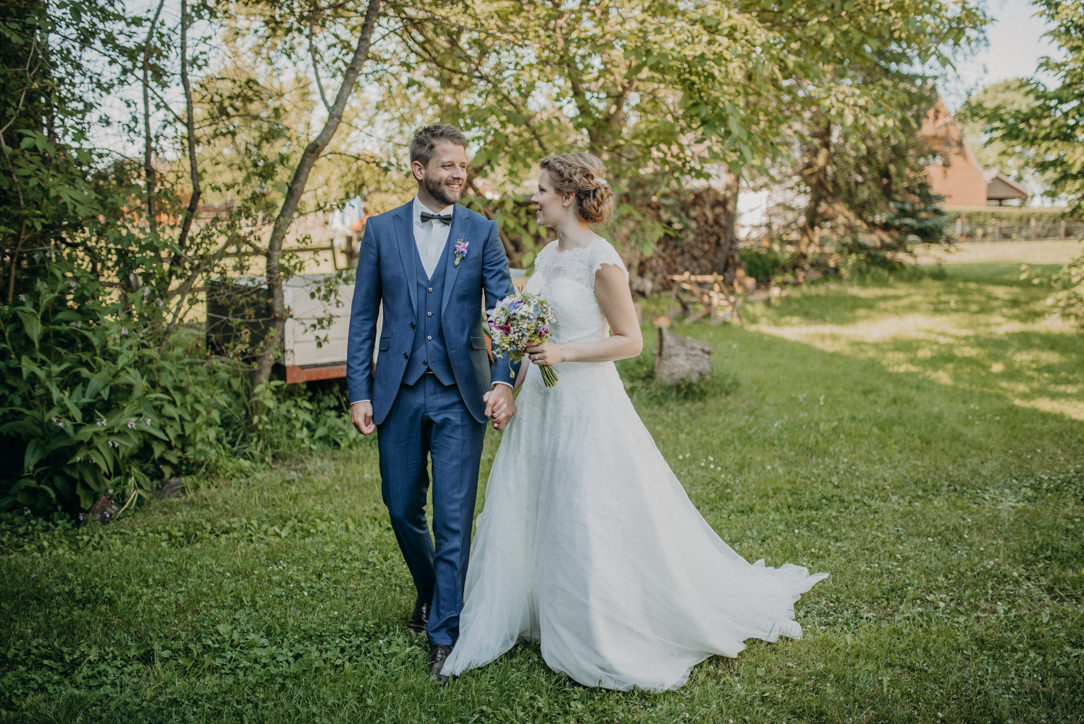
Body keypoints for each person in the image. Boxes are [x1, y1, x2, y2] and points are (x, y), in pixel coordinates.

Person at [441, 152, 828, 690]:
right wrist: (512, 387)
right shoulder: (548, 258)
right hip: (542, 407)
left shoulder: (601, 261)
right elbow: (531, 341)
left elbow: (632, 341)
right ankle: (530, 607)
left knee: (585, 506)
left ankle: (598, 620)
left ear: (568, 197)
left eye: (542, 190)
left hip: (587, 404)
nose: (534, 198)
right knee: (535, 499)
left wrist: (566, 355)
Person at [346, 124, 519, 680]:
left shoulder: (482, 232)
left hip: (460, 392)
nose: (459, 174)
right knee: (400, 506)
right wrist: (359, 390)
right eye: (448, 165)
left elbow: (505, 314)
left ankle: (445, 629)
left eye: (463, 166)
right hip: (395, 390)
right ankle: (432, 588)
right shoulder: (380, 230)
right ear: (420, 169)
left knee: (452, 516)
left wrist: (503, 379)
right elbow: (362, 318)